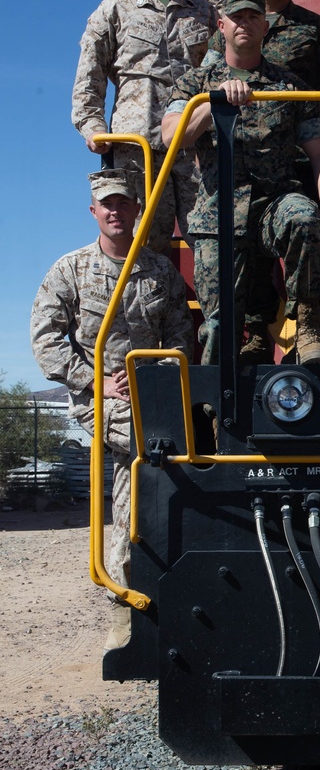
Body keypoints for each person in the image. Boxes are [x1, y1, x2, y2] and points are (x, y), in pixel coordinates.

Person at [30, 172, 191, 651]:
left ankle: (136, 598)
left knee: (133, 484)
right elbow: (45, 340)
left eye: (123, 203)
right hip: (101, 399)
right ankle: (130, 602)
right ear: (94, 212)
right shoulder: (71, 269)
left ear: (137, 209)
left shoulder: (160, 271)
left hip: (152, 395)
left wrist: (158, 375)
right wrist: (94, 381)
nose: (115, 211)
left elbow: (181, 335)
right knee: (158, 451)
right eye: (107, 205)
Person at [161, 0, 320, 365]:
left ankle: (307, 326)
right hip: (219, 214)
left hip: (275, 203)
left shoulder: (289, 85)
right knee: (219, 329)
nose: (245, 23)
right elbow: (172, 136)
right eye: (237, 16)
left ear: (263, 25)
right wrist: (215, 103)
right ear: (221, 26)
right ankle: (213, 413)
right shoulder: (196, 84)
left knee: (304, 217)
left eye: (253, 16)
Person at [71, 0, 216, 253]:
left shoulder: (206, 13)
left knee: (211, 244)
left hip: (197, 149)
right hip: (137, 151)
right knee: (144, 248)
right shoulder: (114, 10)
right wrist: (91, 126)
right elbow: (88, 77)